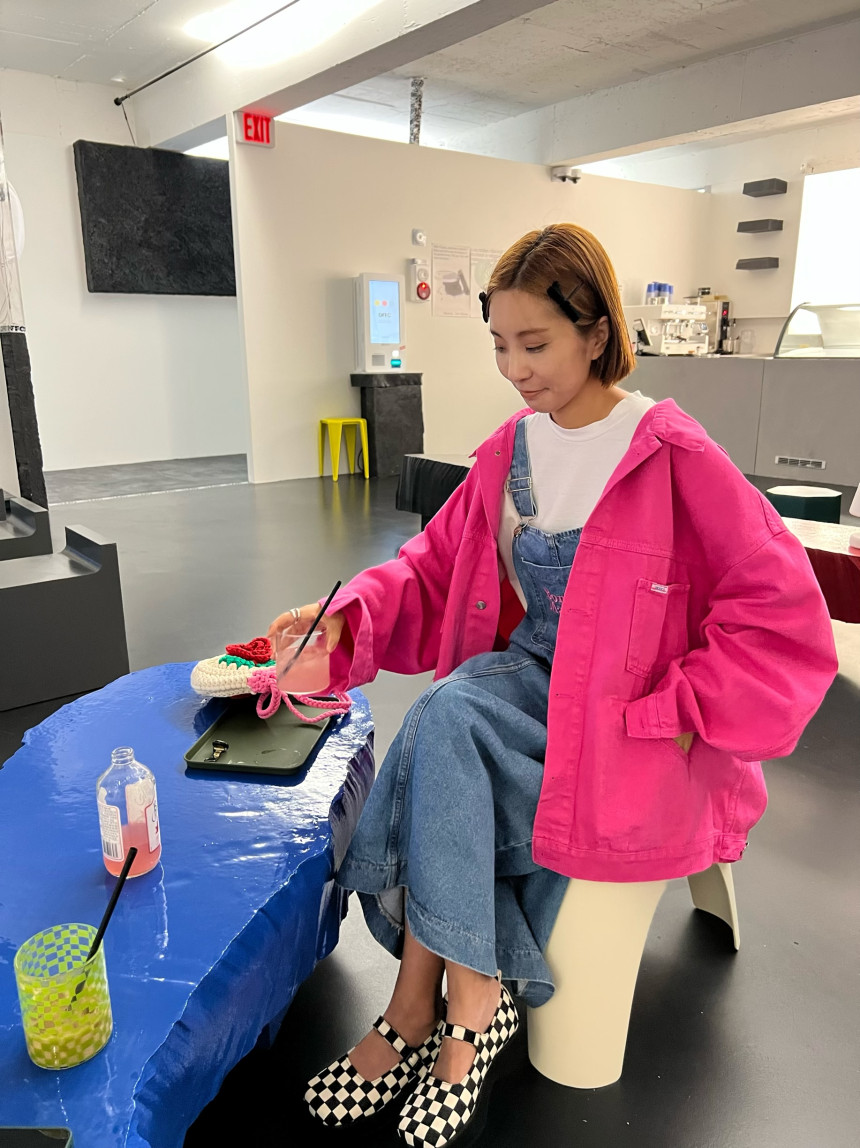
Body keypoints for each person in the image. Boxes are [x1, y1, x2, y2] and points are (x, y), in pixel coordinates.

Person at [268, 223, 837, 1147]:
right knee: (448, 717)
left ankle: (425, 1009)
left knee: (441, 722)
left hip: (627, 715)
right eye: (499, 344)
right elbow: (429, 569)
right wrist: (342, 620)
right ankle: (459, 1004)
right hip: (533, 684)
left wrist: (683, 708)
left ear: (597, 331)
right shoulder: (512, 451)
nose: (514, 369)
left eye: (534, 344)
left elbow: (783, 611)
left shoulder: (671, 451)